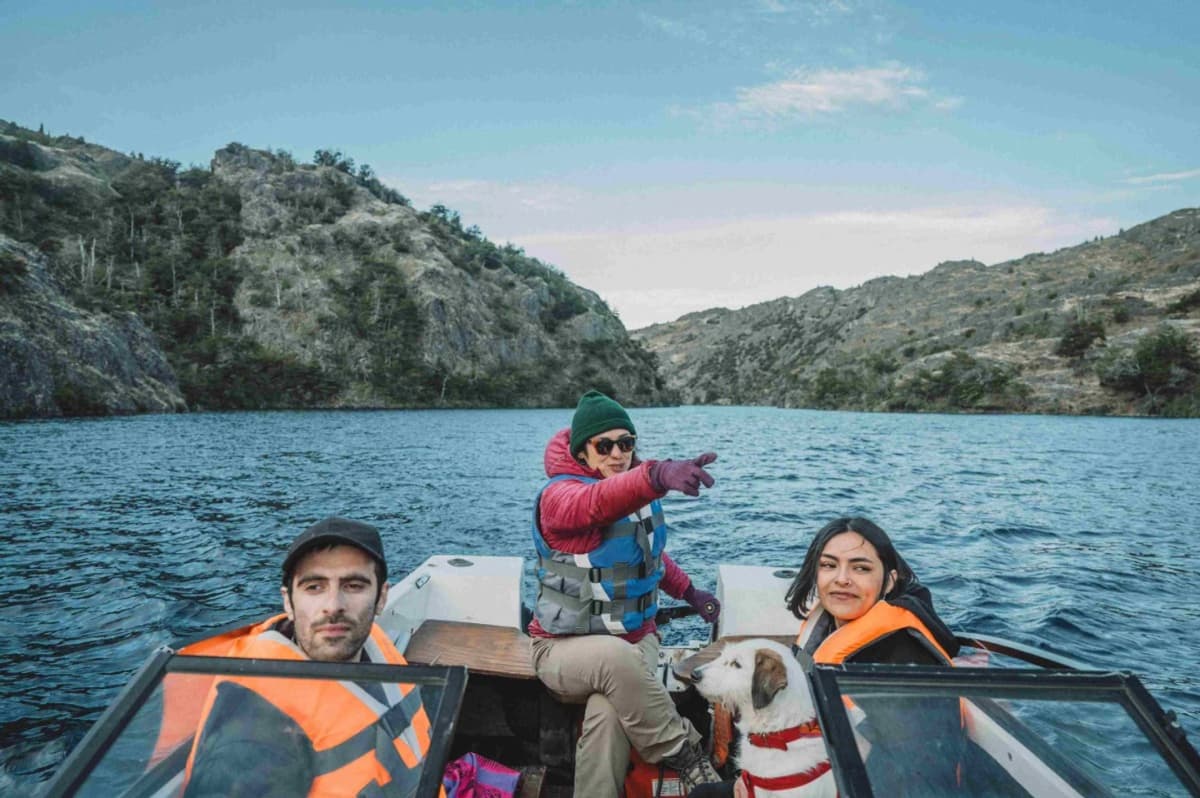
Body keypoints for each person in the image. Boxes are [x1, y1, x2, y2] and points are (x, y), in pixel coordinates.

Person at [529, 389, 724, 797]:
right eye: (604, 446)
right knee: (615, 659)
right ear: (582, 453)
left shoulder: (629, 494)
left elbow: (648, 559)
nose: (617, 454)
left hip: (637, 642)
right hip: (561, 651)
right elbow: (596, 504)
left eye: (626, 443)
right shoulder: (560, 498)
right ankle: (686, 754)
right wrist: (656, 475)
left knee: (608, 713)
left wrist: (690, 592)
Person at [689, 517, 961, 798]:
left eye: (861, 568)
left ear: (889, 581)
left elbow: (912, 773)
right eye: (829, 565)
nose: (842, 579)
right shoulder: (828, 629)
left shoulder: (902, 659)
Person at [180, 517, 436, 798]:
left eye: (353, 585)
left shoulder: (372, 644)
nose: (333, 606)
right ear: (288, 602)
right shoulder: (253, 731)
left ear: (382, 598)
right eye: (314, 587)